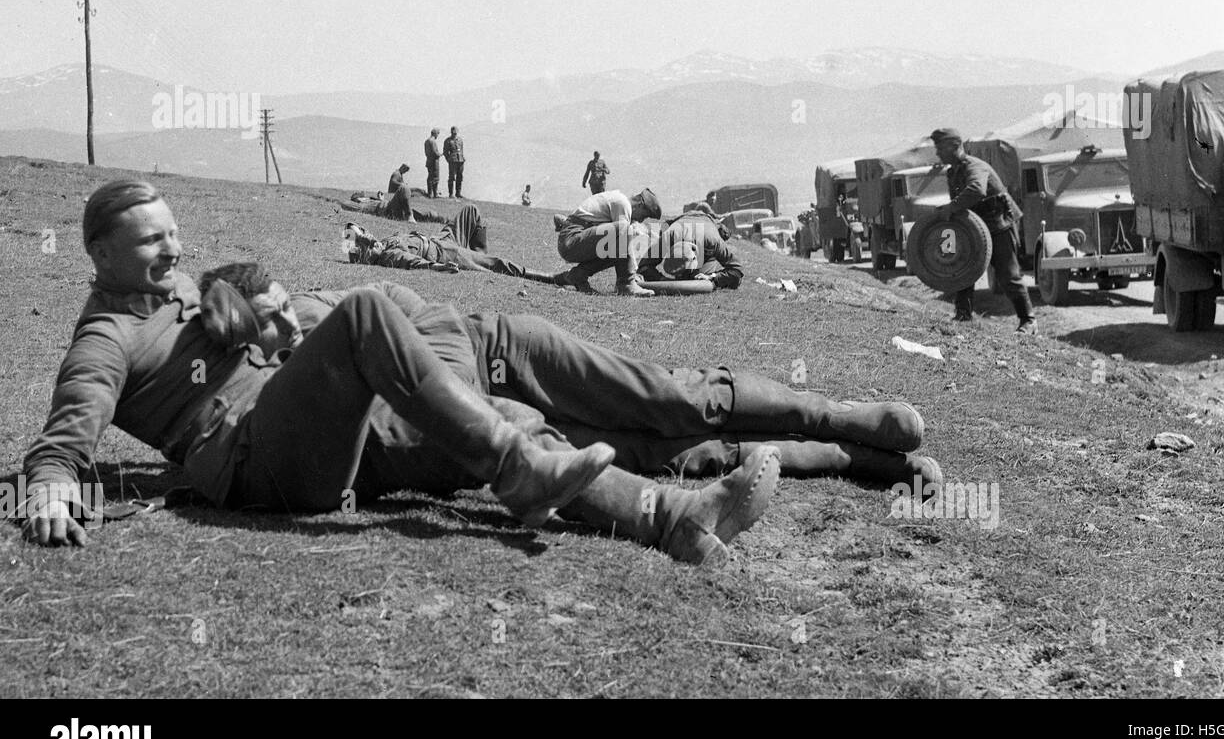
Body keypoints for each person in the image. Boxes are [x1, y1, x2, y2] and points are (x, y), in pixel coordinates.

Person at [17, 179, 619, 548]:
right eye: (152, 241)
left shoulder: (173, 289)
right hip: (258, 463)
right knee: (363, 314)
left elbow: (238, 313)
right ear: (100, 253)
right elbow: (62, 442)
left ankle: (667, 516)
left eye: (173, 234)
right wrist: (48, 489)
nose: (172, 249)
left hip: (298, 429)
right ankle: (515, 472)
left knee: (504, 411)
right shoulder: (103, 339)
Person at [203, 265, 939, 529]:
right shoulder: (282, 394)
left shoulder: (336, 307)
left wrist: (434, 378)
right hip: (490, 417)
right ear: (243, 340)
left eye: (283, 306)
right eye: (265, 325)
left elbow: (407, 306)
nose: (283, 324)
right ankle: (846, 456)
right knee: (656, 453)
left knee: (663, 397)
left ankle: (838, 413)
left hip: (503, 348)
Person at [930, 128, 1037, 333]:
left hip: (999, 225)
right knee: (964, 268)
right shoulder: (953, 171)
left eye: (940, 148)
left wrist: (950, 208)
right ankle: (963, 315)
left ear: (955, 146)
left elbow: (976, 190)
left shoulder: (974, 166)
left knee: (1008, 274)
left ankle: (1029, 321)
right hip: (975, 227)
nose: (937, 153)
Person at [343, 203, 556, 283]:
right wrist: (439, 267)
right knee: (497, 264)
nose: (371, 239)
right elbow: (415, 263)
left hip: (441, 239)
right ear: (366, 256)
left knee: (471, 211)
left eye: (365, 234)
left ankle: (476, 254)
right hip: (445, 253)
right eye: (367, 244)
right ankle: (552, 277)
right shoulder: (389, 256)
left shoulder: (384, 243)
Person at [553, 188, 662, 296]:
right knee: (624, 228)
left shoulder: (619, 201)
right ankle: (626, 284)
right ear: (639, 204)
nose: (641, 220)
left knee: (618, 248)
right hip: (571, 240)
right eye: (644, 215)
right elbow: (625, 232)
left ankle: (578, 275)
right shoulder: (622, 204)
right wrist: (633, 274)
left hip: (572, 241)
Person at [640, 209, 744, 289]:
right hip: (682, 220)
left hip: (707, 223)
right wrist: (662, 279)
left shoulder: (713, 240)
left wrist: (712, 277)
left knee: (732, 281)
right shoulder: (668, 236)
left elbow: (737, 270)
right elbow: (644, 266)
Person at [444, 127, 465, 198]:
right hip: (452, 161)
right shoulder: (448, 141)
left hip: (460, 160)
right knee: (451, 177)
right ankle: (451, 194)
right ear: (451, 132)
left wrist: (462, 158)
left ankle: (458, 193)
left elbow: (461, 150)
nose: (454, 134)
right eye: (453, 132)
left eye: (455, 132)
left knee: (460, 177)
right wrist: (449, 160)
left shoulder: (460, 140)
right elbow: (445, 152)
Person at [423, 128, 442, 198]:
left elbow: (426, 152)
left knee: (430, 176)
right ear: (435, 133)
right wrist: (440, 154)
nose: (437, 136)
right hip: (434, 161)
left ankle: (430, 193)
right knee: (435, 177)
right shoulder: (432, 141)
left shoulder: (427, 141)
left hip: (429, 161)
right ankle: (434, 193)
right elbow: (434, 152)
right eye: (437, 134)